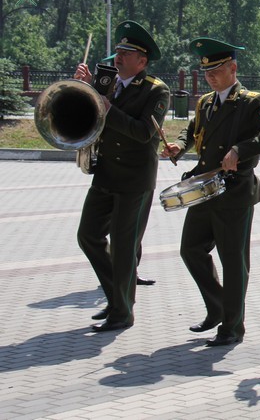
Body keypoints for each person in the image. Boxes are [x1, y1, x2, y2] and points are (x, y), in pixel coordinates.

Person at [161, 38, 260, 346]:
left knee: (233, 260)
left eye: (216, 70)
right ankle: (218, 307)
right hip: (204, 188)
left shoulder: (251, 101)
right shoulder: (206, 103)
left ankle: (232, 326)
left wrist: (240, 150)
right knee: (190, 249)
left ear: (233, 67)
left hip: (234, 191)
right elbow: (192, 132)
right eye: (206, 72)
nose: (211, 76)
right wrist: (180, 145)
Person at [72, 20, 170, 332]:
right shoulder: (108, 82)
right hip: (105, 175)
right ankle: (117, 296)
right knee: (88, 235)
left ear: (142, 61)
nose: (118, 57)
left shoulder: (156, 91)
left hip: (134, 179)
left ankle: (122, 312)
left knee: (124, 245)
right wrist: (84, 87)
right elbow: (88, 113)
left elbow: (143, 133)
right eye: (118, 51)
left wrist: (109, 108)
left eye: (126, 53)